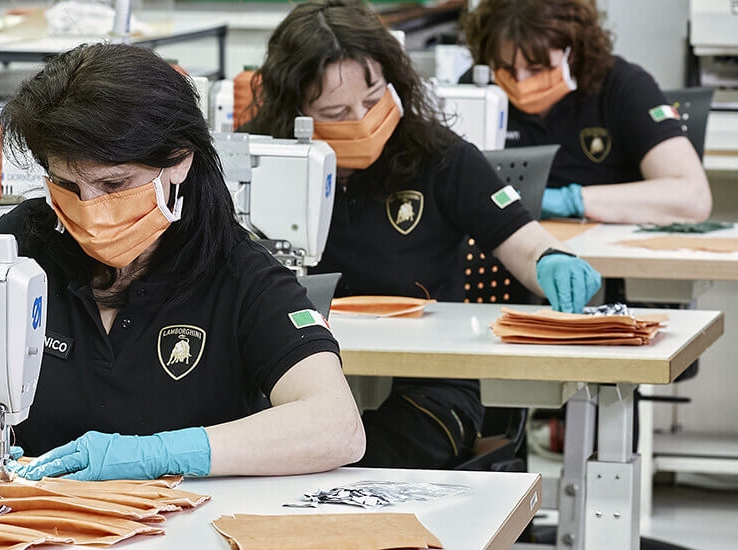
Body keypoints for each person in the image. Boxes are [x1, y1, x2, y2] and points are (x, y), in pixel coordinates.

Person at [0, 43, 365, 481]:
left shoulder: (239, 271)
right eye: (66, 184)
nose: (88, 205)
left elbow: (336, 425)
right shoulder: (22, 240)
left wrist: (161, 454)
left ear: (179, 161)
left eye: (113, 185)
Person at [240, 0, 601, 468]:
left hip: (430, 389)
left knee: (361, 468)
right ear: (296, 111)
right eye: (336, 110)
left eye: (373, 101)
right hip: (289, 383)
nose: (362, 119)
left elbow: (525, 245)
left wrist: (553, 260)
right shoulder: (254, 162)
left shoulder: (441, 158)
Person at [463, 0, 711, 224]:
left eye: (537, 69)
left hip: (592, 258)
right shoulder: (476, 92)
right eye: (506, 69)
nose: (520, 81)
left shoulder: (622, 86)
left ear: (573, 51)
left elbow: (693, 197)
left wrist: (571, 201)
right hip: (498, 257)